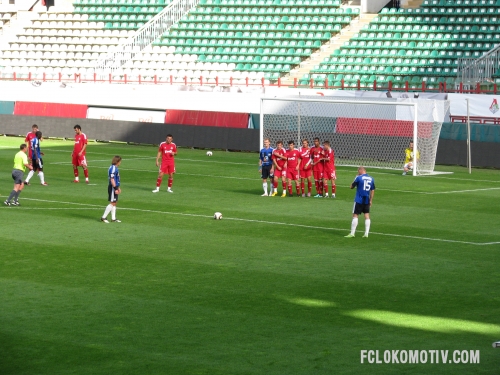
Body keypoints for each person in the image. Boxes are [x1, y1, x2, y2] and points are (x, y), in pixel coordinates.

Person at [345, 166, 375, 238]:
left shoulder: (359, 178)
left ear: (361, 170)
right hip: (366, 199)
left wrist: (355, 178)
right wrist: (370, 200)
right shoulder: (371, 179)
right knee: (367, 216)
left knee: (355, 215)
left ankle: (352, 233)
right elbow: (372, 190)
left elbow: (351, 187)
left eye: (358, 171)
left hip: (359, 199)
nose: (358, 172)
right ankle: (366, 234)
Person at [101, 155, 122, 223]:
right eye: (120, 161)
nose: (120, 163)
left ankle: (113, 218)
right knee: (112, 202)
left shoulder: (114, 167)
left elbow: (116, 179)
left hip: (115, 187)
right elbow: (112, 179)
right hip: (112, 187)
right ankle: (103, 217)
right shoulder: (113, 168)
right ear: (117, 161)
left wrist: (118, 187)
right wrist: (115, 188)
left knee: (115, 202)